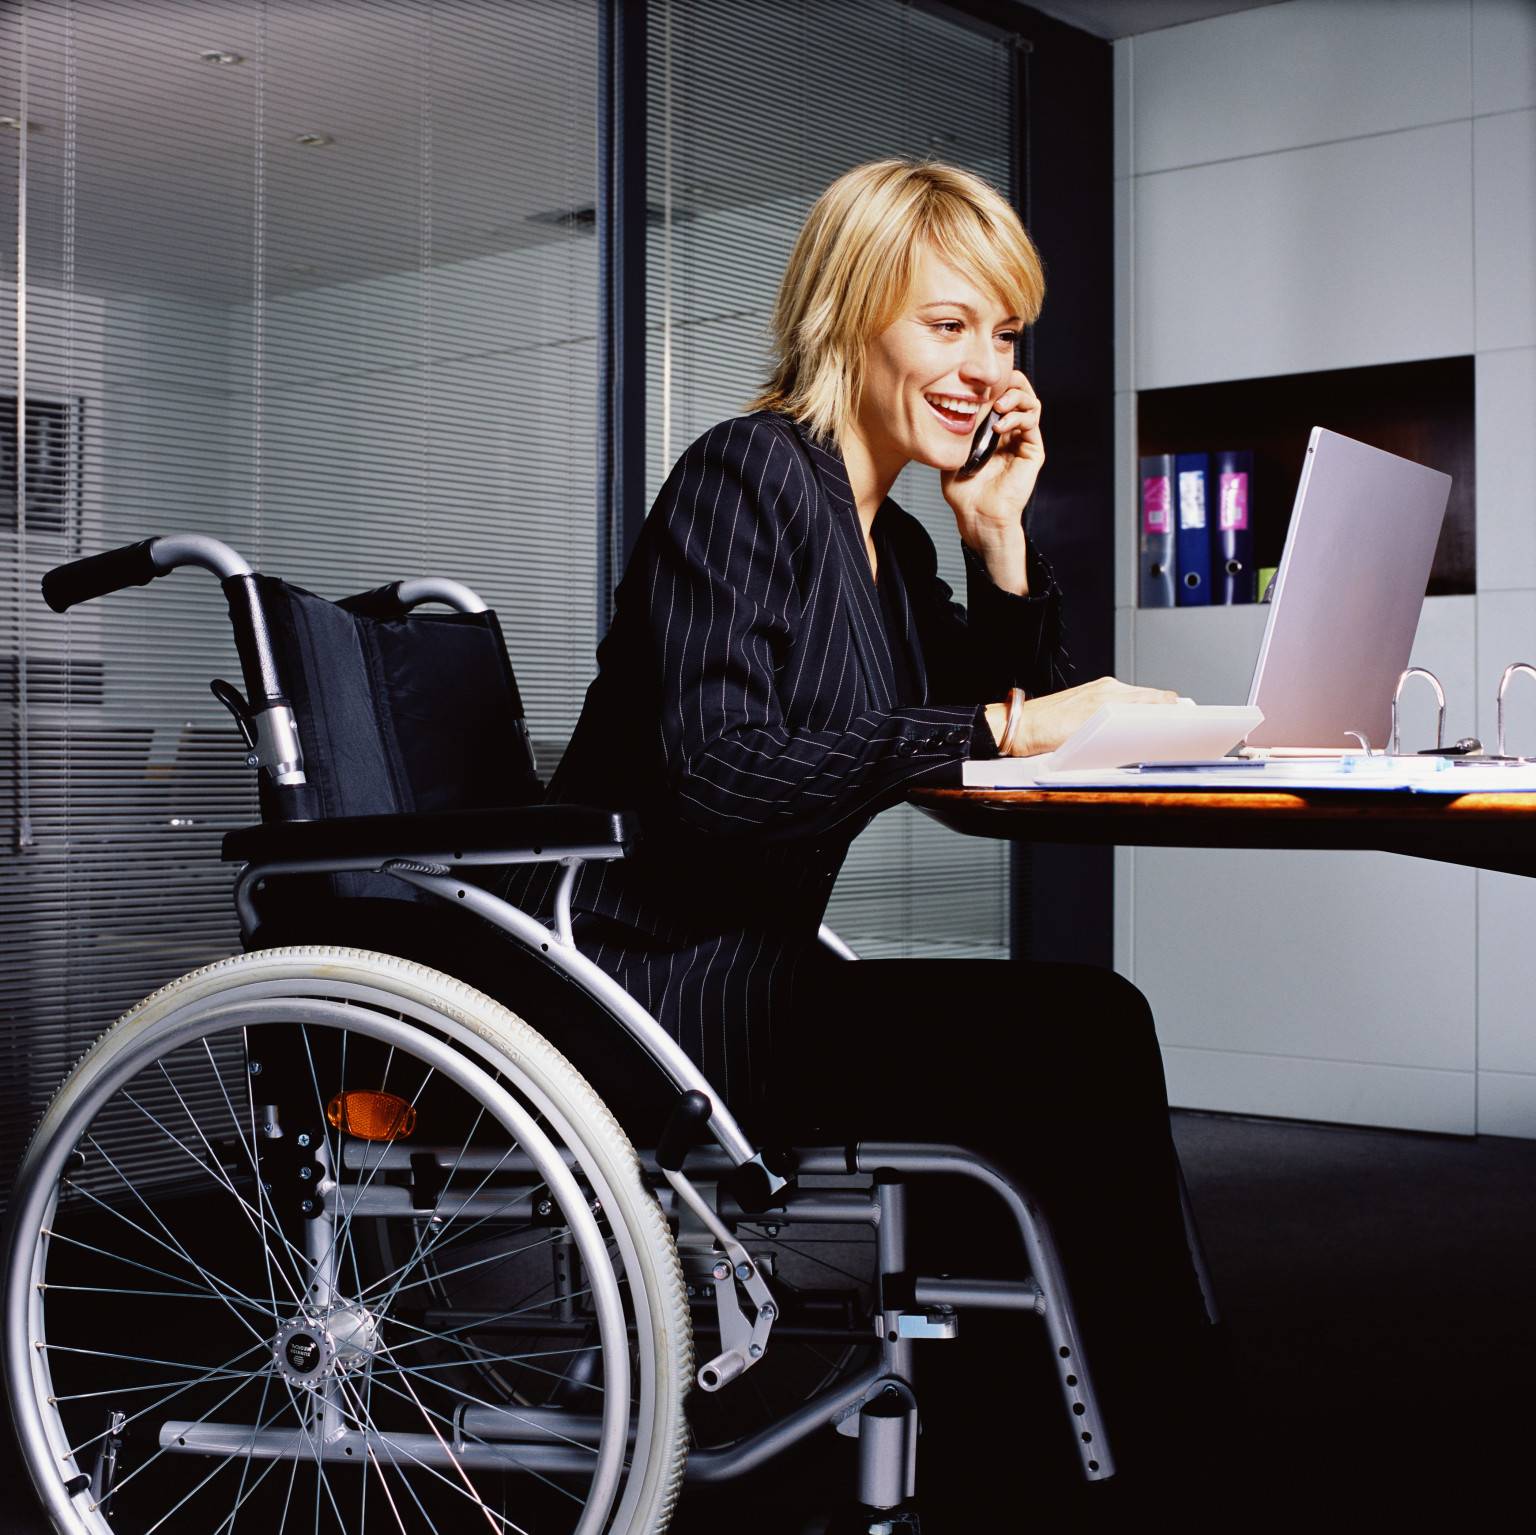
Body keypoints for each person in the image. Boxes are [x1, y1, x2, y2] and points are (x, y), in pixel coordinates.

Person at [510, 158, 1222, 1492]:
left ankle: (1115, 1423)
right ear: (848, 316)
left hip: (746, 977)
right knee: (1076, 1036)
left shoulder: (882, 539)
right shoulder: (750, 476)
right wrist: (998, 730)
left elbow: (1004, 714)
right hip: (658, 990)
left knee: (1079, 1027)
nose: (986, 368)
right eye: (947, 326)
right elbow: (724, 782)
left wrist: (996, 543)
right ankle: (1150, 1442)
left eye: (1003, 334)